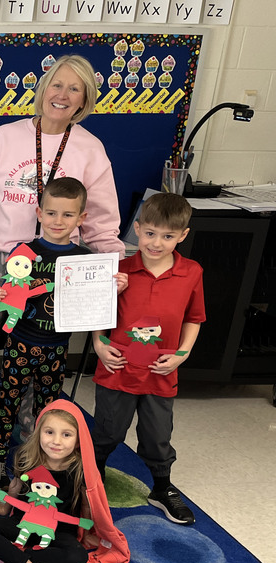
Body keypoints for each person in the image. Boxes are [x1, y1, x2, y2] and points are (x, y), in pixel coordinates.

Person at [0, 54, 125, 430]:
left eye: (75, 88)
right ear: (43, 89)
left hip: (54, 266)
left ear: (85, 98)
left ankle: (30, 437)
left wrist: (112, 270)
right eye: (57, 84)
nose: (63, 95)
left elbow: (102, 223)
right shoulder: (6, 136)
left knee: (37, 356)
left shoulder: (91, 150)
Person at [0, 177, 128, 490]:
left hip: (57, 348)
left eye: (67, 214)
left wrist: (112, 288)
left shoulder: (86, 260)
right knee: (7, 402)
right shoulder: (23, 253)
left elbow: (97, 305)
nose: (58, 221)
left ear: (81, 218)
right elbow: (7, 292)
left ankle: (42, 461)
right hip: (20, 343)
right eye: (51, 213)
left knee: (49, 409)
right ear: (38, 213)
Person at [91, 192, 204, 525]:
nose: (157, 243)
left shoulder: (191, 272)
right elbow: (97, 311)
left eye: (168, 236)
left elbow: (194, 318)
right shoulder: (119, 270)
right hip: (117, 368)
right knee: (108, 431)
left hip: (161, 372)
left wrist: (182, 355)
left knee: (157, 435)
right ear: (137, 229)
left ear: (182, 235)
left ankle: (162, 487)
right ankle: (92, 478)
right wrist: (99, 343)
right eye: (150, 233)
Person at [0, 400, 129, 563]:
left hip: (57, 532)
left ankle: (4, 555)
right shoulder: (27, 458)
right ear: (38, 433)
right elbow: (16, 485)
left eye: (66, 434)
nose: (56, 441)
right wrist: (4, 507)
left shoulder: (80, 469)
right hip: (21, 523)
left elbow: (89, 501)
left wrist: (88, 532)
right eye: (49, 432)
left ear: (79, 440)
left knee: (77, 557)